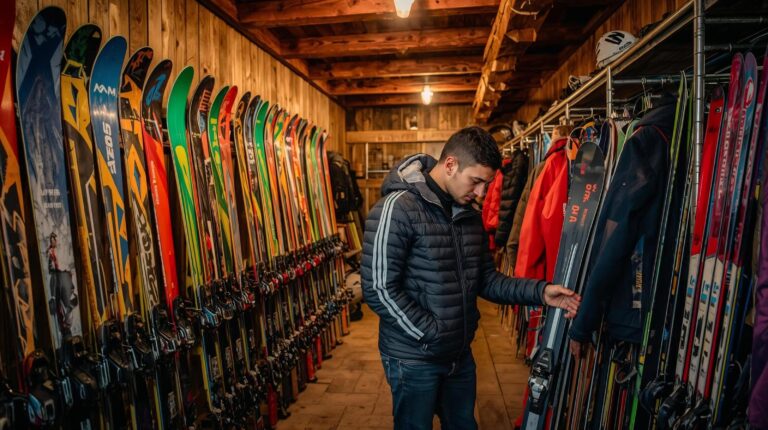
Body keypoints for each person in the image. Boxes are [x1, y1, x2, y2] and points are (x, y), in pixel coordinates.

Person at [361, 126, 581, 430]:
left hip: (459, 356)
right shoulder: (397, 208)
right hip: (414, 359)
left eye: (486, 185)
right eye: (476, 181)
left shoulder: (468, 214)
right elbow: (378, 288)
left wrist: (541, 292)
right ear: (450, 165)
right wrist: (433, 333)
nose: (480, 193)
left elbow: (487, 281)